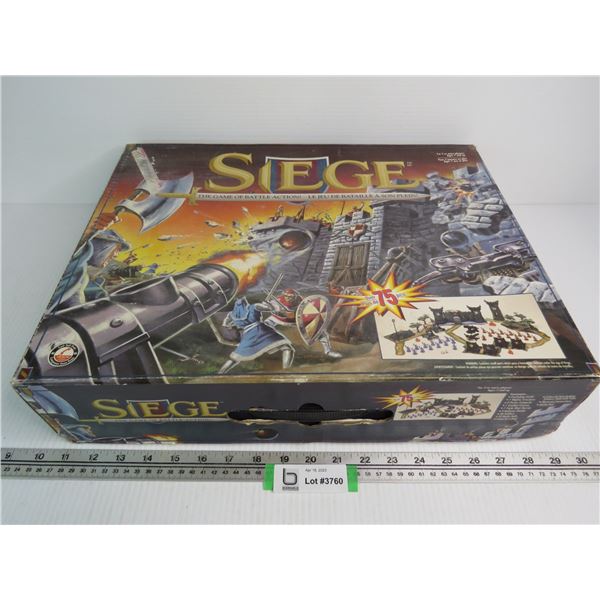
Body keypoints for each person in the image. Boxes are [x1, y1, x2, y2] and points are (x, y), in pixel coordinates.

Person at [218, 297, 295, 374]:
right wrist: (268, 304)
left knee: (234, 358)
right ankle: (287, 370)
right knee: (287, 348)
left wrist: (238, 323)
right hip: (263, 331)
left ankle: (221, 373)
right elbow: (271, 309)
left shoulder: (231, 315)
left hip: (249, 335)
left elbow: (226, 324)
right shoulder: (254, 306)